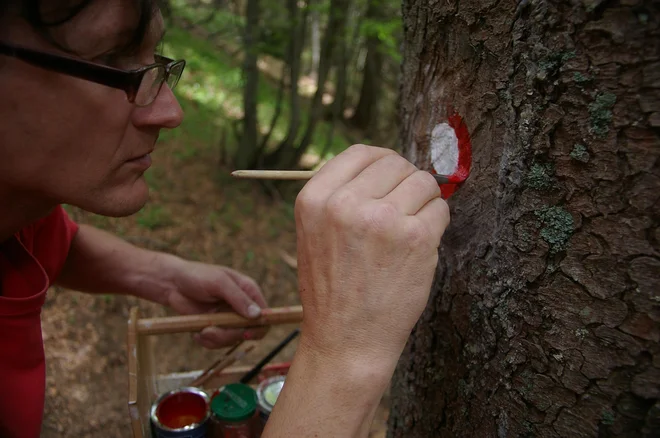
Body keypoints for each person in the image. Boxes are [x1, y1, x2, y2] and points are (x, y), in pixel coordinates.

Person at [0, 1, 450, 437]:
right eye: (112, 59)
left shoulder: (18, 210)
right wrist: (344, 360)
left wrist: (163, 276)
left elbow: (39, 243)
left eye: (154, 62)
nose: (170, 112)